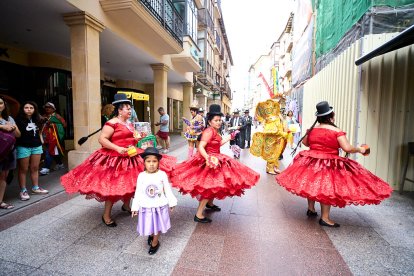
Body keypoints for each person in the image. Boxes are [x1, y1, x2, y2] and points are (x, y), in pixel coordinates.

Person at [61, 94, 176, 227]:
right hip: (115, 159)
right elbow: (102, 139)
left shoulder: (129, 123)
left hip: (131, 155)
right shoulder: (112, 123)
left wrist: (138, 138)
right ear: (119, 110)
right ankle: (106, 215)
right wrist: (118, 148)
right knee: (113, 187)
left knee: (132, 183)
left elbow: (132, 138)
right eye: (127, 108)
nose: (130, 110)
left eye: (130, 108)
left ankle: (126, 206)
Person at [276, 101, 392, 227]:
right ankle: (325, 218)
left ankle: (311, 209)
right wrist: (361, 149)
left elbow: (306, 143)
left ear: (319, 117)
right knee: (326, 188)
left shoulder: (312, 129)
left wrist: (317, 146)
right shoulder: (337, 131)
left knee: (312, 184)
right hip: (328, 163)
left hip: (312, 160)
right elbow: (347, 148)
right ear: (331, 116)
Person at [170, 104, 260, 223]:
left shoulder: (215, 131)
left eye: (219, 120)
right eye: (216, 120)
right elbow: (201, 147)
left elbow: (219, 143)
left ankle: (210, 204)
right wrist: (208, 158)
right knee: (209, 186)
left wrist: (230, 137)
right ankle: (198, 214)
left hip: (216, 159)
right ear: (210, 121)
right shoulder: (208, 131)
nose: (219, 122)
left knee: (214, 185)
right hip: (210, 161)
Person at [131, 147, 177, 255]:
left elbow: (167, 190)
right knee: (149, 223)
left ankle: (155, 243)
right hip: (146, 206)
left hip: (159, 206)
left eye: (154, 161)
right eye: (148, 161)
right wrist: (135, 207)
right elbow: (138, 192)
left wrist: (171, 202)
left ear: (158, 162)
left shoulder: (162, 175)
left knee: (158, 225)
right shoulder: (141, 176)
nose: (151, 164)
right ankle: (151, 235)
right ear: (144, 163)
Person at [15, 101, 48, 201]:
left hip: (36, 146)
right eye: (26, 107)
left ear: (34, 109)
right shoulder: (18, 120)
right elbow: (18, 134)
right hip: (23, 146)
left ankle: (35, 188)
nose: (29, 109)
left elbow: (40, 132)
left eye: (31, 108)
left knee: (35, 168)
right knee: (23, 169)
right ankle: (23, 190)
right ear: (22, 109)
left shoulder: (37, 119)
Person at [250, 99, 290, 174]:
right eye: (277, 104)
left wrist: (285, 132)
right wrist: (282, 133)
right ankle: (270, 169)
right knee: (271, 154)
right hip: (272, 139)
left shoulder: (278, 115)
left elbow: (282, 125)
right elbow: (272, 130)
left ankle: (275, 167)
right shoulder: (271, 117)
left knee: (276, 154)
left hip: (278, 139)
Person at [0, 96, 21, 209]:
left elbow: (18, 135)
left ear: (4, 106)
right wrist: (2, 126)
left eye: (0, 103)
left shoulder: (9, 118)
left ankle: (0, 201)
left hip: (8, 152)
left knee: (3, 176)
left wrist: (12, 128)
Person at [39, 102, 66, 175]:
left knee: (49, 152)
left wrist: (52, 125)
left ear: (53, 109)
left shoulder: (57, 116)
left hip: (54, 138)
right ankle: (60, 164)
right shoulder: (44, 116)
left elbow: (64, 125)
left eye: (49, 107)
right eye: (46, 107)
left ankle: (46, 168)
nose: (47, 108)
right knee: (53, 152)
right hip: (45, 137)